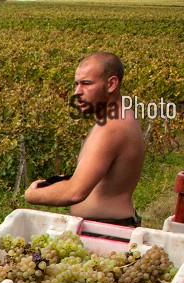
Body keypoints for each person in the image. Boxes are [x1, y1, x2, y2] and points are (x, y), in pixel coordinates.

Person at [24, 52, 146, 227]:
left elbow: (75, 192)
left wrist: (31, 195)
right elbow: (102, 179)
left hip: (108, 229)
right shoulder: (117, 117)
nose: (77, 92)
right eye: (76, 84)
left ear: (111, 84)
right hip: (109, 225)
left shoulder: (112, 127)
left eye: (86, 84)